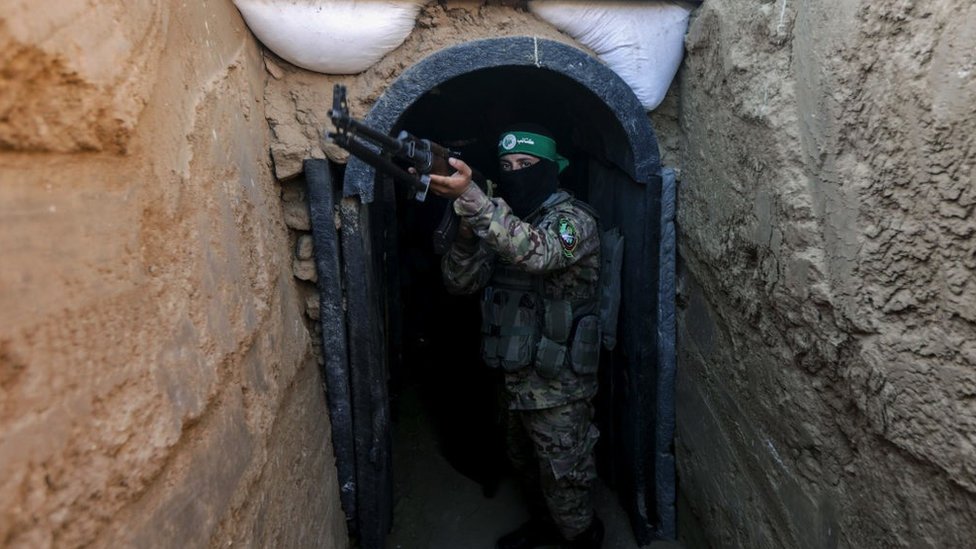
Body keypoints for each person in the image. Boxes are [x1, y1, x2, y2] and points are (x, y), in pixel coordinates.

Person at [428, 124, 604, 549]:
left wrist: (473, 200)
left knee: (566, 477)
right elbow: (459, 282)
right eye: (506, 166)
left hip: (558, 384)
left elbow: (538, 252)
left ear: (551, 169)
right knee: (525, 465)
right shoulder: (502, 223)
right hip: (512, 375)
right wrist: (468, 236)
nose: (515, 173)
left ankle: (580, 538)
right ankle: (545, 529)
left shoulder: (572, 221)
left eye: (526, 165)